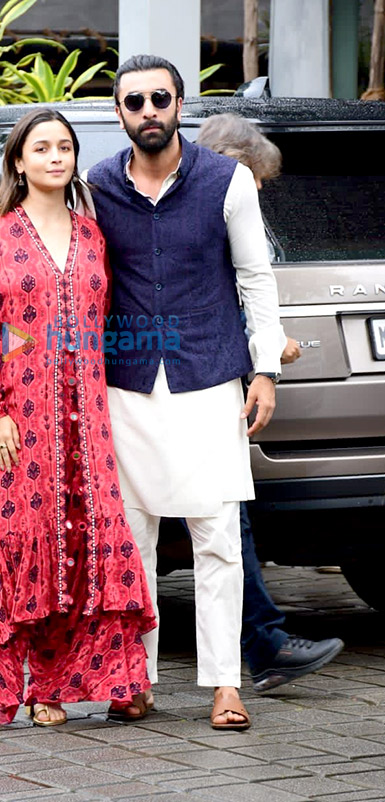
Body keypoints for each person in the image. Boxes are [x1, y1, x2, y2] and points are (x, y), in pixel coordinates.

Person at [82, 54, 287, 731]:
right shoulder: (97, 185)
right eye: (134, 102)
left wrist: (264, 371)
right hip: (129, 381)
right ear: (119, 113)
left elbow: (255, 279)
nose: (148, 112)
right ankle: (134, 679)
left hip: (208, 376)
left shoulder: (226, 180)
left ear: (179, 106)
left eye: (159, 99)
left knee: (217, 535)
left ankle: (225, 684)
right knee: (133, 539)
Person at [0, 108, 155, 729]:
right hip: (13, 421)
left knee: (75, 547)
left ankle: (51, 684)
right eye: (42, 148)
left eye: (65, 147)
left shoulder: (92, 237)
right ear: (19, 161)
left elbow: (102, 325)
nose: (56, 157)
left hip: (84, 422)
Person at [196, 112, 344, 690]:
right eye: (255, 177)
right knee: (224, 519)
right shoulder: (208, 213)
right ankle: (260, 644)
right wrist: (262, 347)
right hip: (185, 391)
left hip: (208, 385)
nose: (259, 190)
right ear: (231, 167)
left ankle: (261, 642)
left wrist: (263, 347)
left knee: (229, 519)